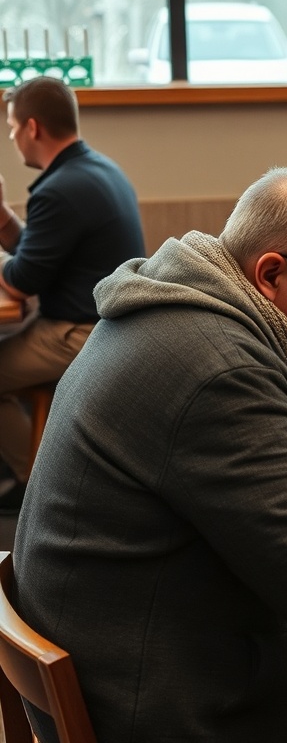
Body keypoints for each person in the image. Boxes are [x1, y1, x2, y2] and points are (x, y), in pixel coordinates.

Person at [13, 167, 287, 743]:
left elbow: (225, 489)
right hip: (169, 706)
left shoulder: (174, 312)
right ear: (272, 273)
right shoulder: (223, 371)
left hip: (142, 656)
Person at [0, 76, 144, 511]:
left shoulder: (59, 190)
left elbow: (22, 281)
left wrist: (11, 271)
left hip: (81, 332)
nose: (10, 137)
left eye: (10, 127)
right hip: (113, 325)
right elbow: (41, 254)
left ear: (32, 127)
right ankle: (33, 469)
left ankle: (36, 480)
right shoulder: (95, 169)